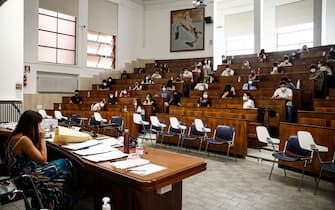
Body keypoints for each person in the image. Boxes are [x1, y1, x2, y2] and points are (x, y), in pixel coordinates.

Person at [5, 110, 74, 209]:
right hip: (24, 178)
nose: (40, 127)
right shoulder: (24, 140)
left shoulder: (17, 134)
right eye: (39, 125)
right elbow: (42, 159)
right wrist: (42, 139)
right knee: (65, 163)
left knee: (59, 167)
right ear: (31, 125)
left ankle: (53, 196)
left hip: (18, 173)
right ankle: (59, 200)